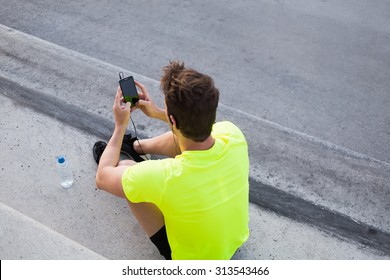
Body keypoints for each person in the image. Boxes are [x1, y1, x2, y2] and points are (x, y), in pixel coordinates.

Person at [94, 61, 249, 260]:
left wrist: (120, 125)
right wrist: (159, 112)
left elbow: (103, 177)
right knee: (189, 139)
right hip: (233, 240)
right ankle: (136, 147)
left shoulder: (166, 176)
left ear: (173, 120)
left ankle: (127, 150)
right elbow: (191, 128)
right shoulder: (233, 135)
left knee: (124, 168)